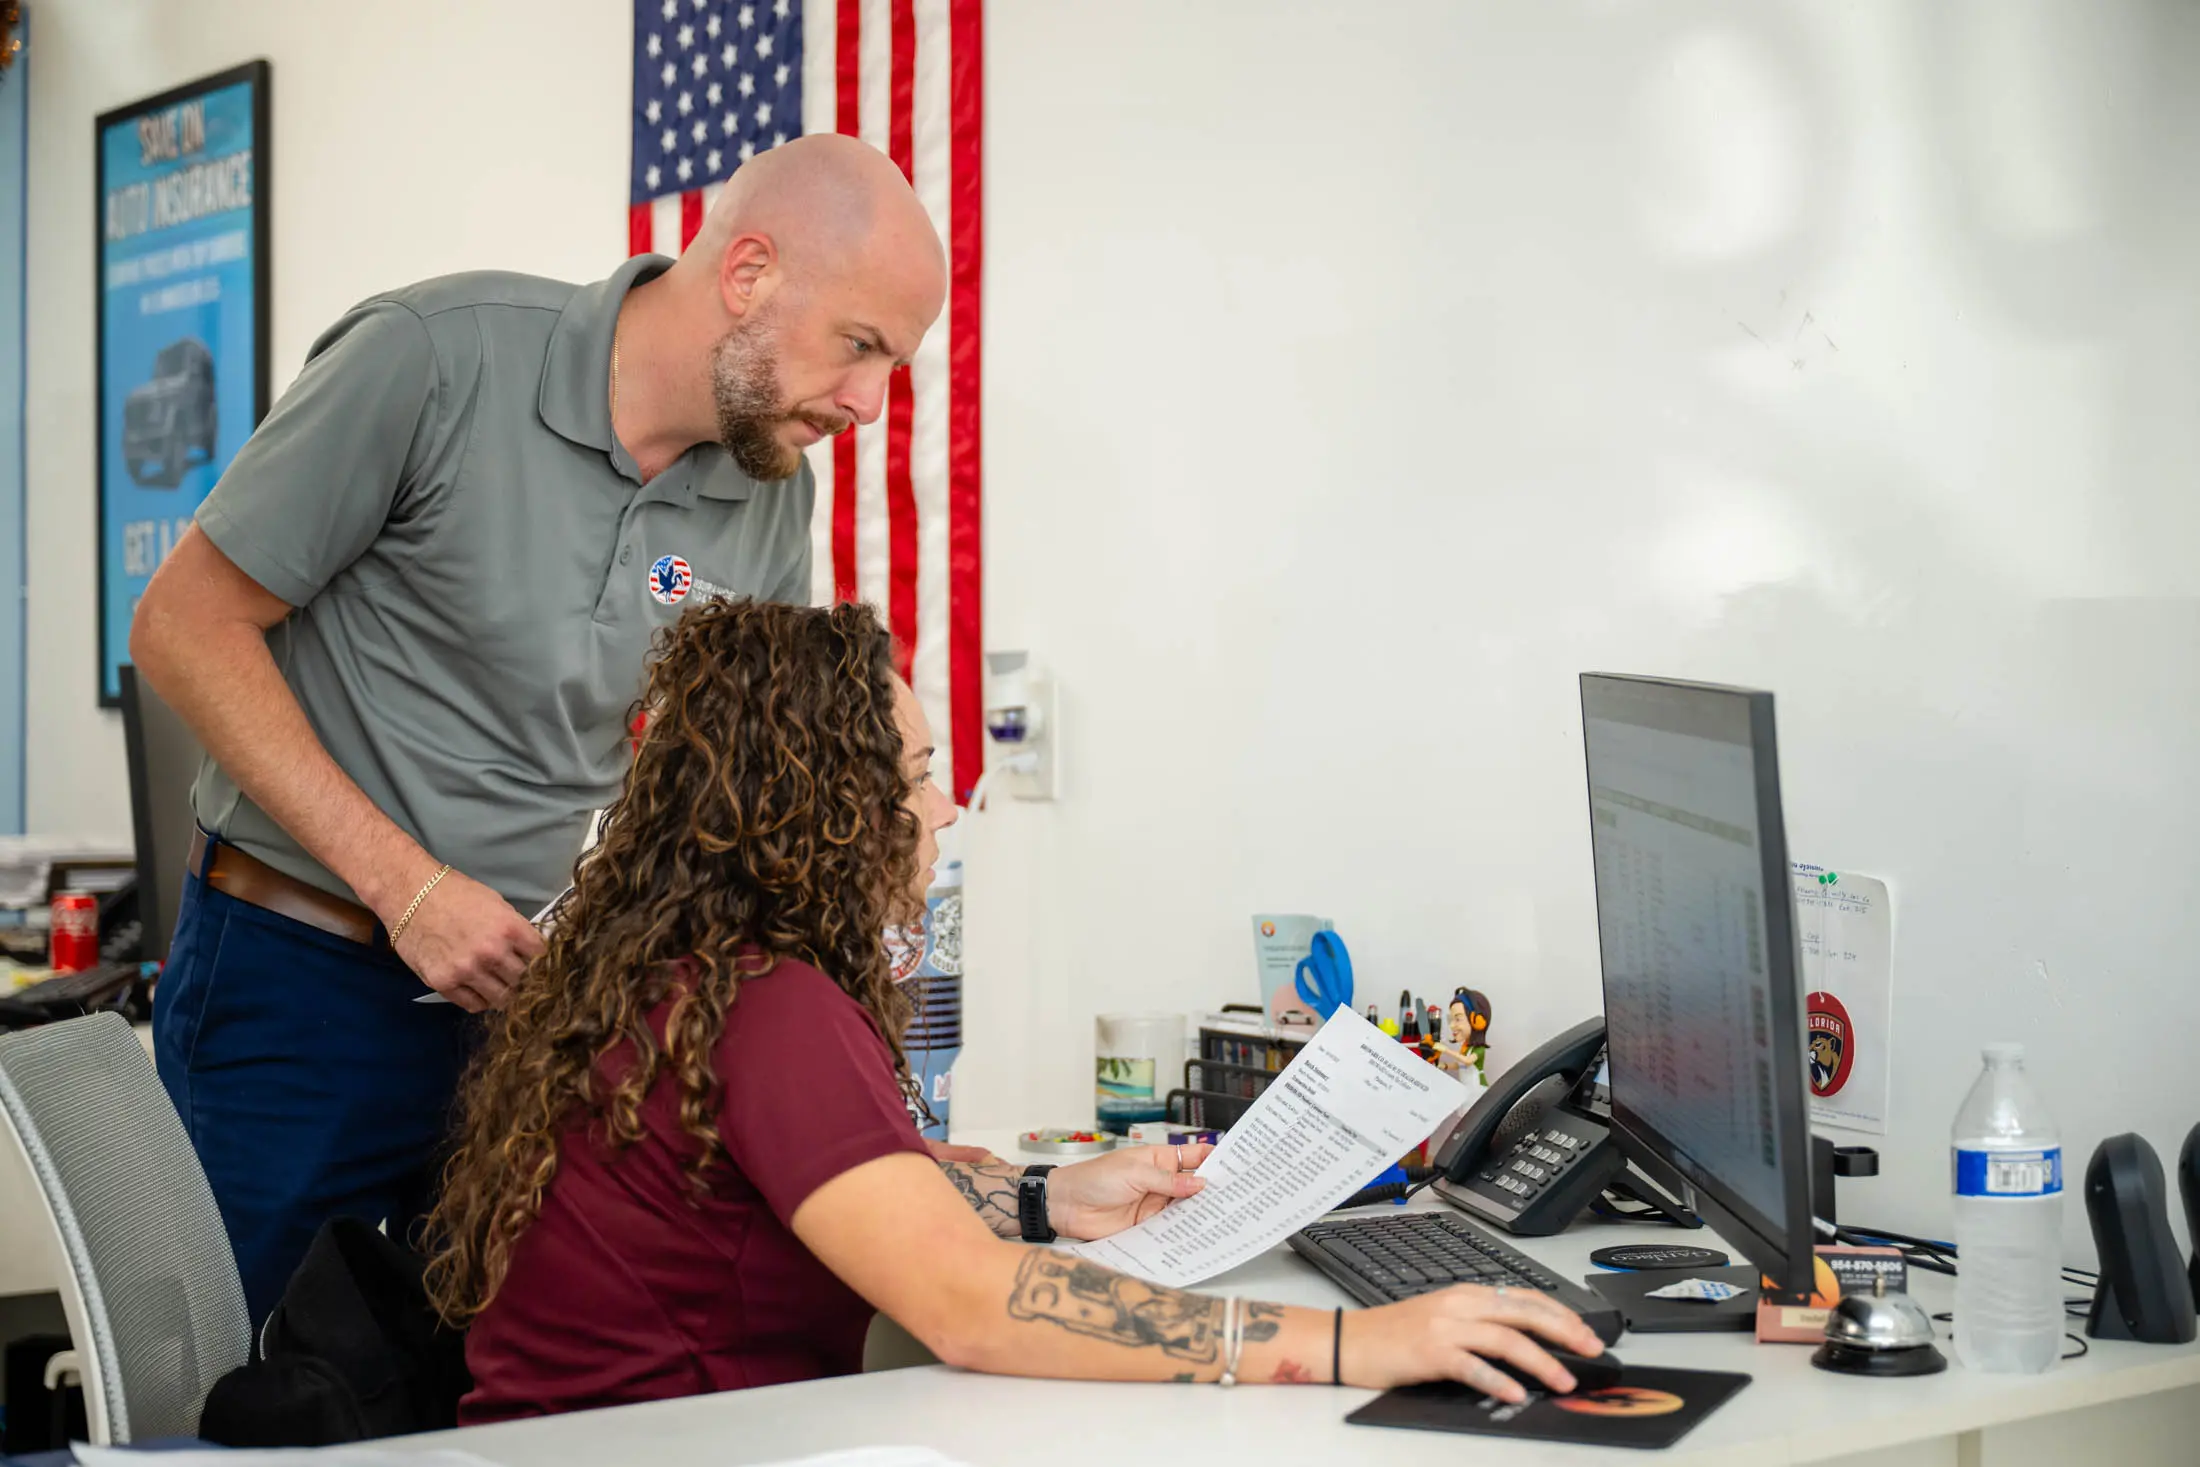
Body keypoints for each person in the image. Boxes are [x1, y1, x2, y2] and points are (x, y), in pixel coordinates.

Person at [128, 134, 946, 1324]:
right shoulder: (430, 360)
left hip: (548, 1017)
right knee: (279, 1390)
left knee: (489, 1386)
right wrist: (410, 892)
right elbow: (183, 626)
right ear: (749, 272)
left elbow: (734, 775)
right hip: (302, 985)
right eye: (860, 347)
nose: (869, 404)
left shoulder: (771, 488)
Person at [425, 599, 1605, 1421]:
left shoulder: (676, 969)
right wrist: (1362, 1345)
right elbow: (970, 1312)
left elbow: (846, 1189)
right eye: (915, 775)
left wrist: (1044, 1195)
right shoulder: (764, 1006)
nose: (942, 808)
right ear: (818, 811)